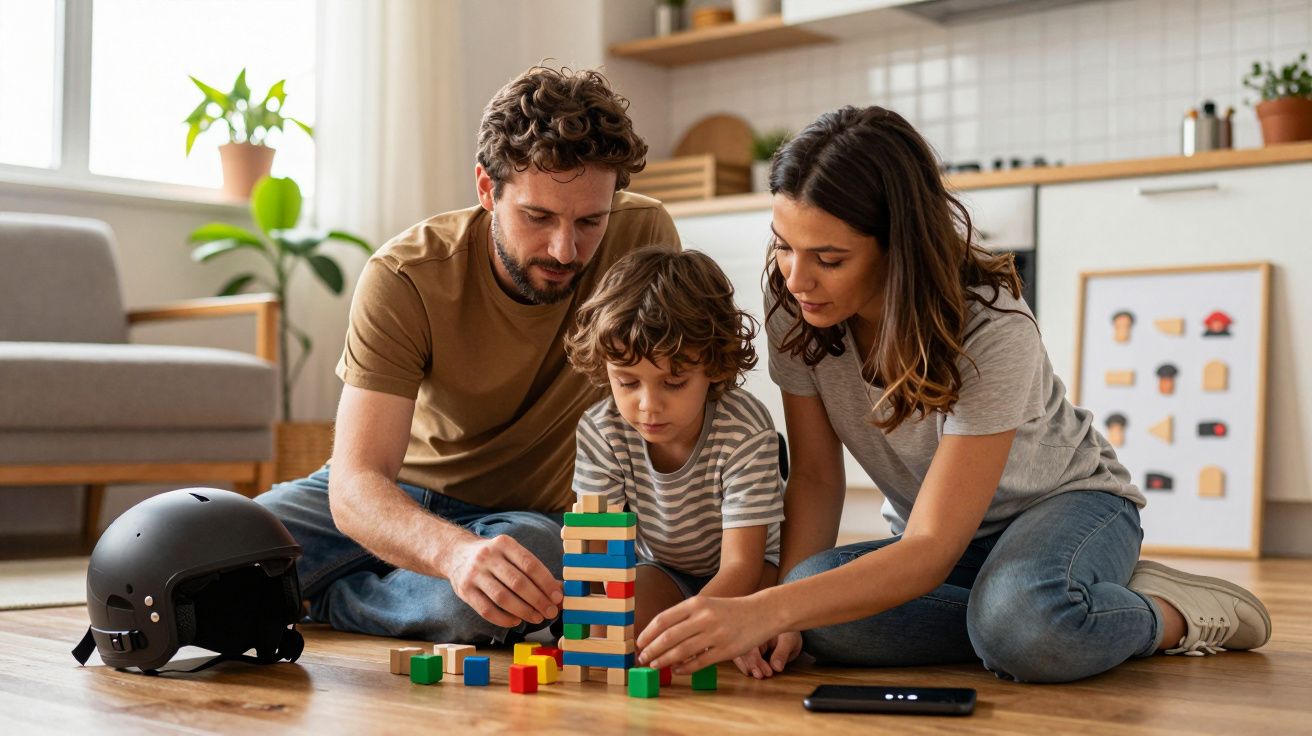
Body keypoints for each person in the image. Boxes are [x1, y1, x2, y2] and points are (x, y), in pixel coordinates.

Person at [634, 105, 1271, 683]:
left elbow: (930, 547)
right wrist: (780, 615)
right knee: (813, 599)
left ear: (897, 248)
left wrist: (760, 609)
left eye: (829, 258)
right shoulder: (794, 302)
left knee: (1018, 624)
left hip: (1065, 507)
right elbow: (818, 479)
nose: (797, 278)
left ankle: (1164, 611)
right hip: (941, 545)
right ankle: (1037, 607)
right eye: (783, 247)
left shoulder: (992, 325)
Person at [256, 66, 681, 643]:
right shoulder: (405, 275)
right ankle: (403, 576)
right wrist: (450, 553)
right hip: (401, 489)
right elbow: (357, 482)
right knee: (219, 550)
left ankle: (334, 596)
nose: (565, 248)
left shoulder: (644, 236)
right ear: (486, 189)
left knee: (516, 578)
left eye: (590, 221)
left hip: (531, 517)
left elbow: (670, 404)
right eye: (538, 216)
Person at [563, 247, 784, 632]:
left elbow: (742, 566)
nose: (649, 406)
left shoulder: (744, 429)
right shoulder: (602, 430)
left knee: (742, 630)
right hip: (664, 569)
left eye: (674, 383)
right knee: (614, 627)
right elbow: (599, 556)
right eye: (628, 382)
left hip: (751, 572)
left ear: (714, 367)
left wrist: (692, 625)